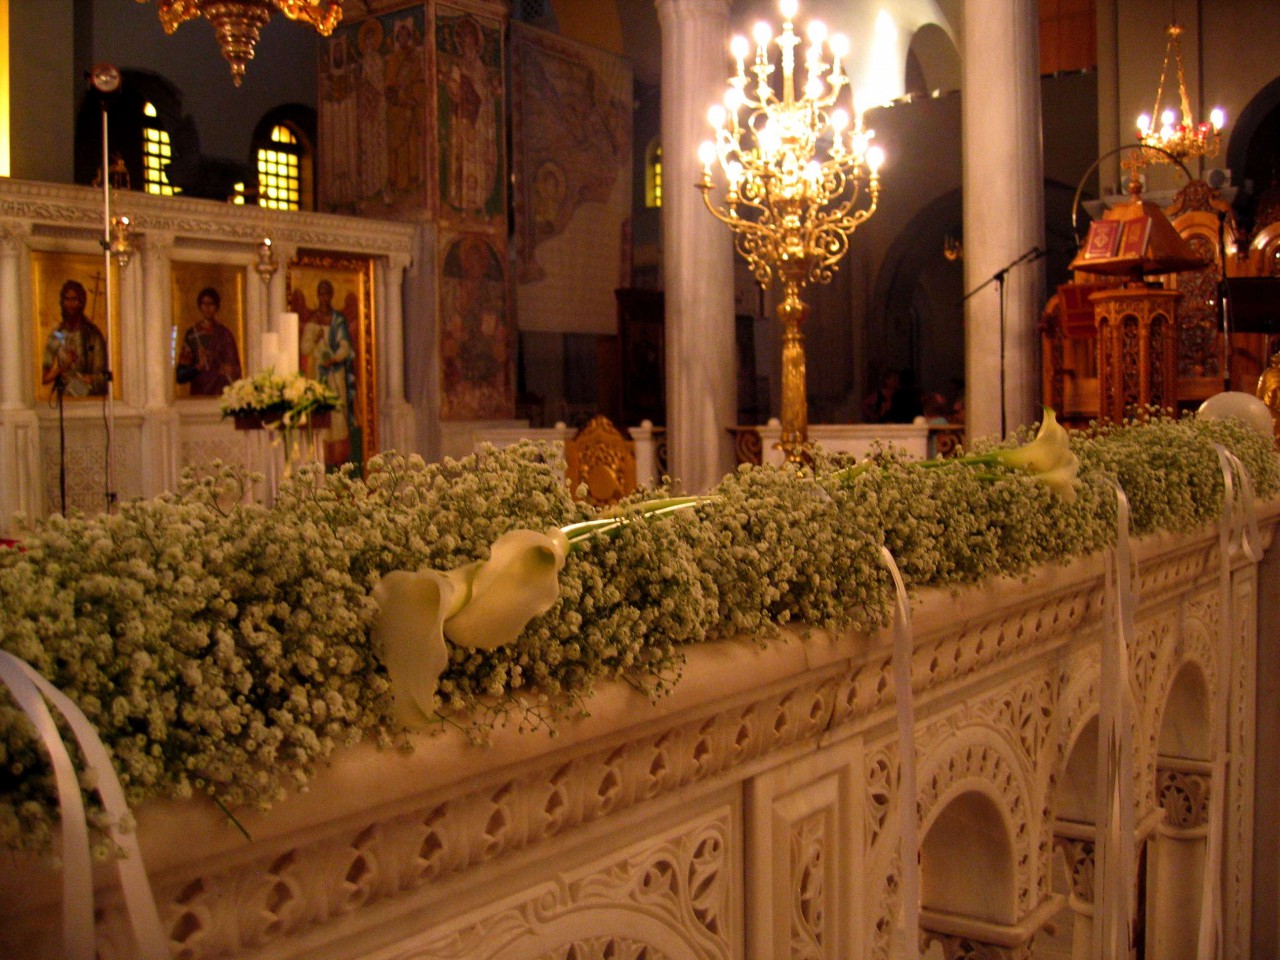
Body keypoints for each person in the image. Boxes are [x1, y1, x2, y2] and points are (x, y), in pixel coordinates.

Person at [313, 279, 357, 464]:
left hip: (336, 374)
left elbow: (345, 347)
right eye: (321, 293)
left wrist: (334, 358)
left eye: (326, 293)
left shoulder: (338, 320)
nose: (324, 297)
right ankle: (322, 459)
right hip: (319, 375)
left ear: (331, 295)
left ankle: (340, 461)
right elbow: (306, 346)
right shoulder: (314, 319)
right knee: (322, 415)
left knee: (338, 417)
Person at [41, 279, 108, 398]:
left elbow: (104, 375)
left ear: (81, 302)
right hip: (65, 398)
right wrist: (62, 367)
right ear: (62, 302)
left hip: (89, 397)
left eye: (74, 299)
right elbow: (45, 378)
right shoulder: (57, 335)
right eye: (67, 299)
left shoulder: (93, 335)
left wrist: (91, 378)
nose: (70, 304)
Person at [176, 287, 241, 396]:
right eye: (204, 304)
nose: (207, 308)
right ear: (199, 306)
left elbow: (236, 371)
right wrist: (198, 367)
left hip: (221, 393)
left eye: (211, 304)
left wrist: (228, 369)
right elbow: (180, 376)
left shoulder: (225, 334)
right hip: (198, 394)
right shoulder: (192, 335)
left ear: (217, 307)